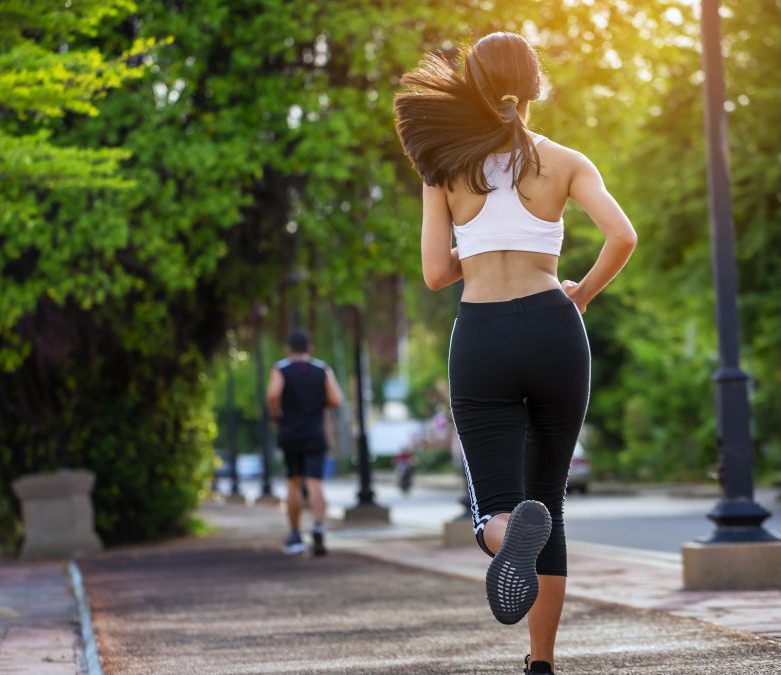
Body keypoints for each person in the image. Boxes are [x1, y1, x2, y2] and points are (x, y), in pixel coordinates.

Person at [394, 32, 637, 675]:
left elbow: (435, 273)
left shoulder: (443, 167)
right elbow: (622, 235)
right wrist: (580, 293)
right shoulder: (565, 161)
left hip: (483, 337)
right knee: (548, 504)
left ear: (471, 89)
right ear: (535, 86)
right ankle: (541, 664)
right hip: (556, 329)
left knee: (494, 508)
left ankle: (506, 543)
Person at [267, 329, 344, 557]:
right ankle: (318, 527)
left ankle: (295, 534)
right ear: (310, 348)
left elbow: (273, 395)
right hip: (314, 431)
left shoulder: (281, 369)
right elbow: (336, 399)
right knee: (315, 482)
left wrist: (275, 415)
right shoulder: (322, 369)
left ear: (288, 349)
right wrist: (319, 404)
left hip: (290, 431)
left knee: (293, 482)